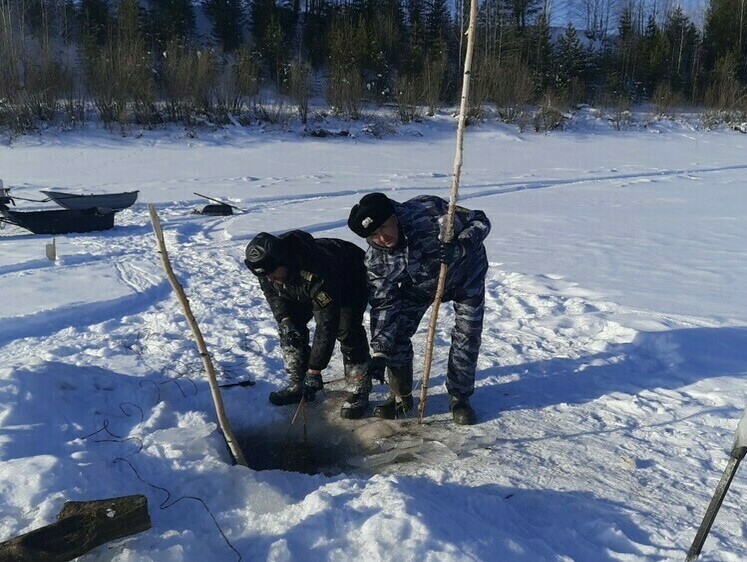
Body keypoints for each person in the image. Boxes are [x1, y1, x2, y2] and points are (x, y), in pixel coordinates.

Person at [347, 193, 491, 425]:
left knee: (467, 334)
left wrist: (461, 246)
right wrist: (380, 351)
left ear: (394, 217)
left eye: (384, 227)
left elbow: (480, 221)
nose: (382, 238)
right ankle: (401, 397)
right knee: (396, 334)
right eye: (374, 234)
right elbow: (384, 304)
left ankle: (459, 397)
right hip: (421, 285)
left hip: (466, 276)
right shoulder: (376, 261)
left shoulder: (427, 211)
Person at [243, 230, 372, 419]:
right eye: (265, 276)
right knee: (290, 330)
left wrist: (315, 369)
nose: (269, 279)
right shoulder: (267, 268)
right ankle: (298, 383)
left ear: (283, 261)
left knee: (346, 328)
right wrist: (285, 318)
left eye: (271, 274)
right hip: (297, 286)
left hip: (349, 277)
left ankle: (358, 387)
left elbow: (326, 324)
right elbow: (272, 294)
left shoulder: (318, 269)